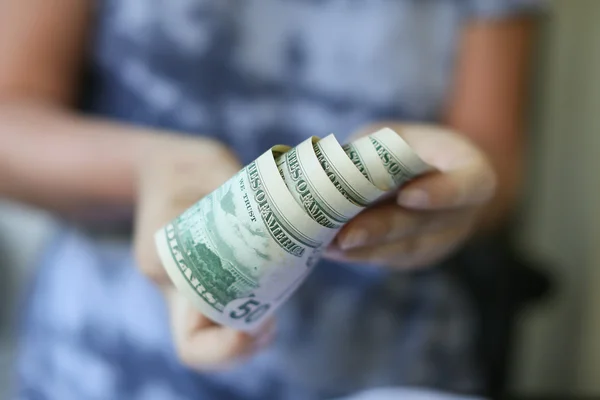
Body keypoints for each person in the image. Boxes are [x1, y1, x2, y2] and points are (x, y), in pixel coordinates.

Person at [0, 0, 542, 399]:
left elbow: (496, 163)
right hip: (103, 364)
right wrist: (149, 170)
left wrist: (450, 193)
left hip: (386, 368)